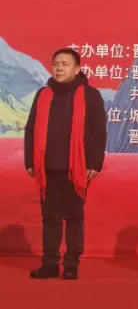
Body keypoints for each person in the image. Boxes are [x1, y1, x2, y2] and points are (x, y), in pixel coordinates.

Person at [23, 47, 107, 280]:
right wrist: (30, 161)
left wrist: (94, 164)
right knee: (50, 218)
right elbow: (30, 129)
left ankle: (71, 264)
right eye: (56, 64)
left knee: (73, 217)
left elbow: (99, 132)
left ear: (77, 69)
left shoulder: (90, 95)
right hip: (47, 167)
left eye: (65, 64)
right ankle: (49, 263)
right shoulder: (43, 94)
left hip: (77, 169)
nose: (59, 68)